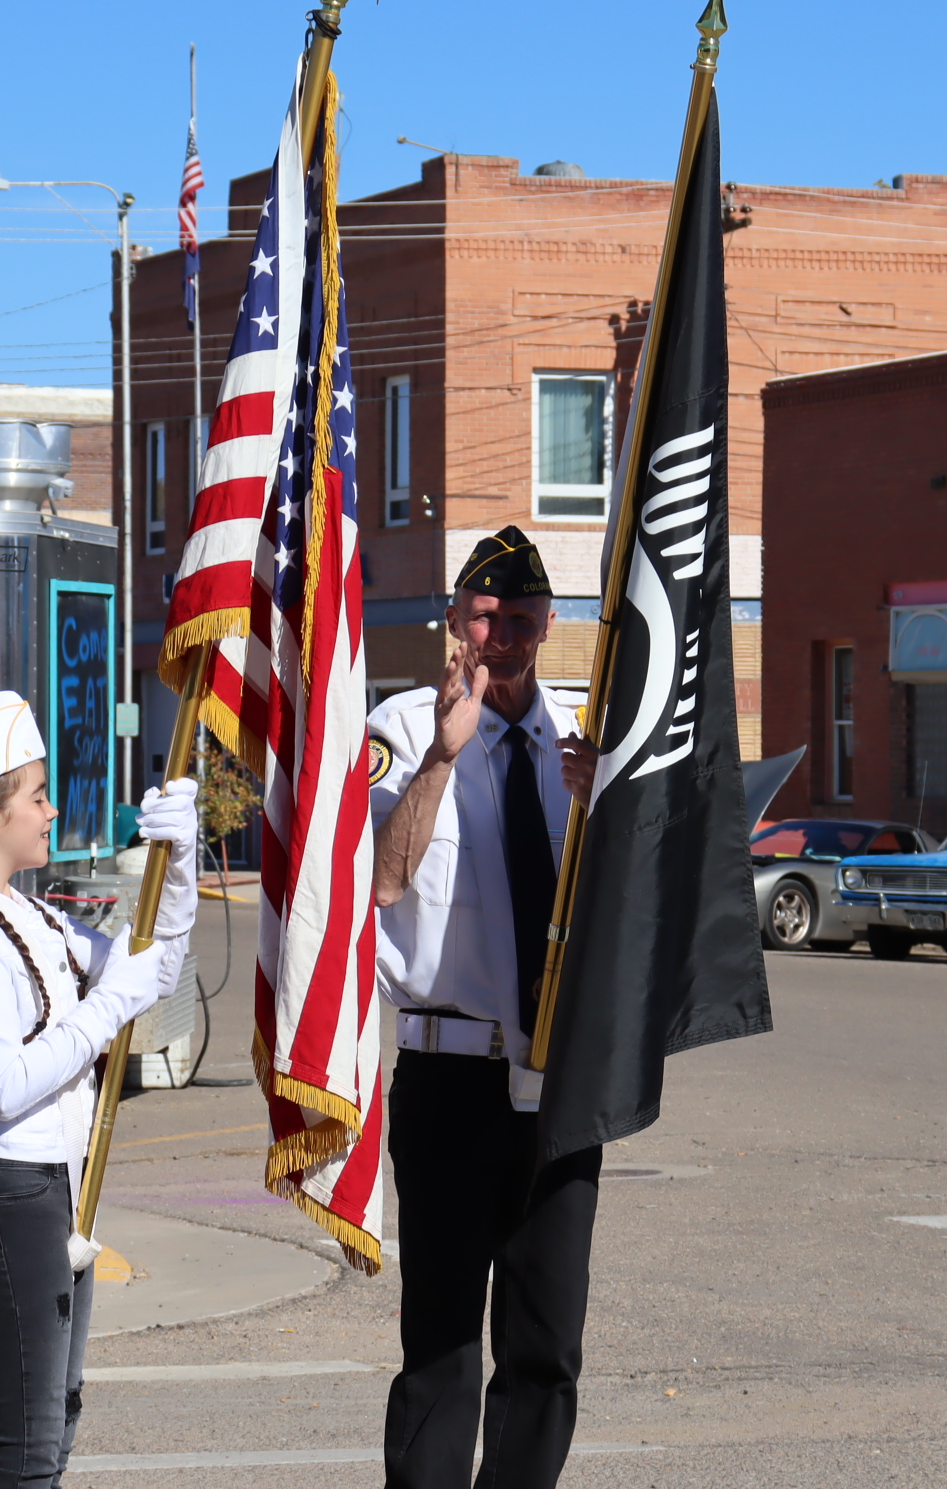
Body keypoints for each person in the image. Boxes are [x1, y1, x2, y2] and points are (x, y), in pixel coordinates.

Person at [0, 691, 197, 1488]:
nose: (52, 811)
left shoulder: (28, 913)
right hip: (1, 1192)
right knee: (25, 1451)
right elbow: (3, 1084)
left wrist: (181, 865)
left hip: (52, 1185)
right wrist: (109, 1003)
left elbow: (149, 968)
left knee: (56, 1422)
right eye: (37, 796)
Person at [367, 527, 601, 1489]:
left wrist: (607, 807)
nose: (502, 636)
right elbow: (380, 884)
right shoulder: (402, 728)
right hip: (451, 1077)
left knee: (546, 1348)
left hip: (561, 1078)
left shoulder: (584, 736)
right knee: (443, 1346)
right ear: (453, 622)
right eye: (484, 616)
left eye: (523, 618)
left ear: (551, 625)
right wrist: (442, 760)